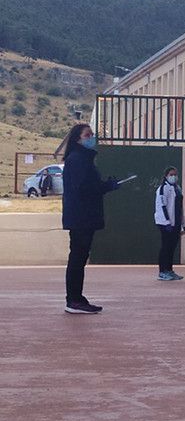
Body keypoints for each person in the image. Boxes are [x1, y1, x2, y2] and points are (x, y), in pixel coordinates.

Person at [61, 123, 120, 314]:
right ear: (78, 138)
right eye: (88, 135)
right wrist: (106, 187)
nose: (91, 137)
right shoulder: (78, 159)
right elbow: (84, 188)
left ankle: (76, 298)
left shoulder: (80, 159)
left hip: (82, 216)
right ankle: (74, 300)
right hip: (81, 217)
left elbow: (87, 186)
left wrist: (104, 185)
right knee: (78, 258)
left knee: (79, 257)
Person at [154, 166, 185, 281]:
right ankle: (162, 272)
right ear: (166, 176)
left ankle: (169, 270)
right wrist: (167, 222)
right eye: (171, 174)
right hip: (165, 224)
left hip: (176, 223)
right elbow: (162, 206)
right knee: (165, 247)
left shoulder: (178, 189)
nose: (174, 177)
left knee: (172, 248)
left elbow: (180, 208)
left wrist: (183, 224)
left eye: (175, 174)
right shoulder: (162, 189)